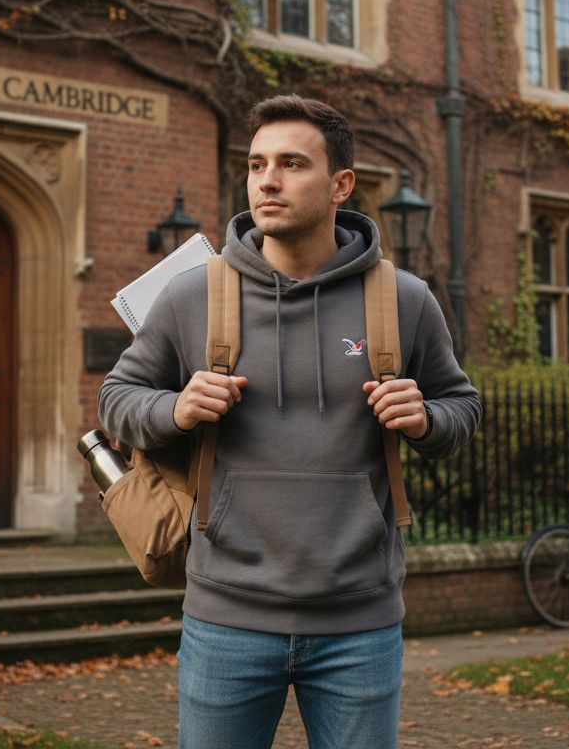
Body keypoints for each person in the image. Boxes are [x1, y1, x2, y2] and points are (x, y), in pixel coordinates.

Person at [98, 94, 480, 748]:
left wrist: (426, 418)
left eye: (291, 164)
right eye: (256, 164)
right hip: (226, 618)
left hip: (359, 623)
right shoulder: (194, 295)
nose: (267, 180)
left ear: (341, 184)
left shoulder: (404, 299)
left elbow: (462, 408)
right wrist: (174, 408)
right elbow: (116, 396)